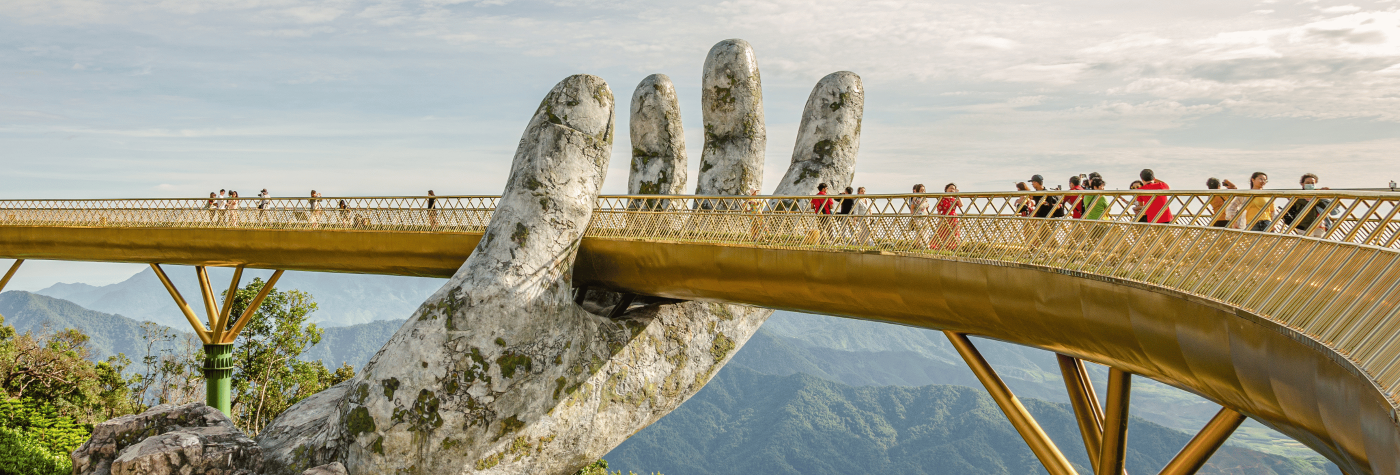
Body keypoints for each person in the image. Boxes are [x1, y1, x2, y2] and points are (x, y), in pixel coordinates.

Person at [933, 183, 961, 250]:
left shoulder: (954, 199)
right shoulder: (942, 199)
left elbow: (961, 204)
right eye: (950, 188)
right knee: (943, 232)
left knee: (954, 232)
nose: (952, 190)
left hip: (953, 217)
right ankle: (942, 246)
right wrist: (940, 219)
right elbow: (939, 210)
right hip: (945, 216)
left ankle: (953, 247)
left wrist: (958, 195)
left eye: (953, 189)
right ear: (946, 189)